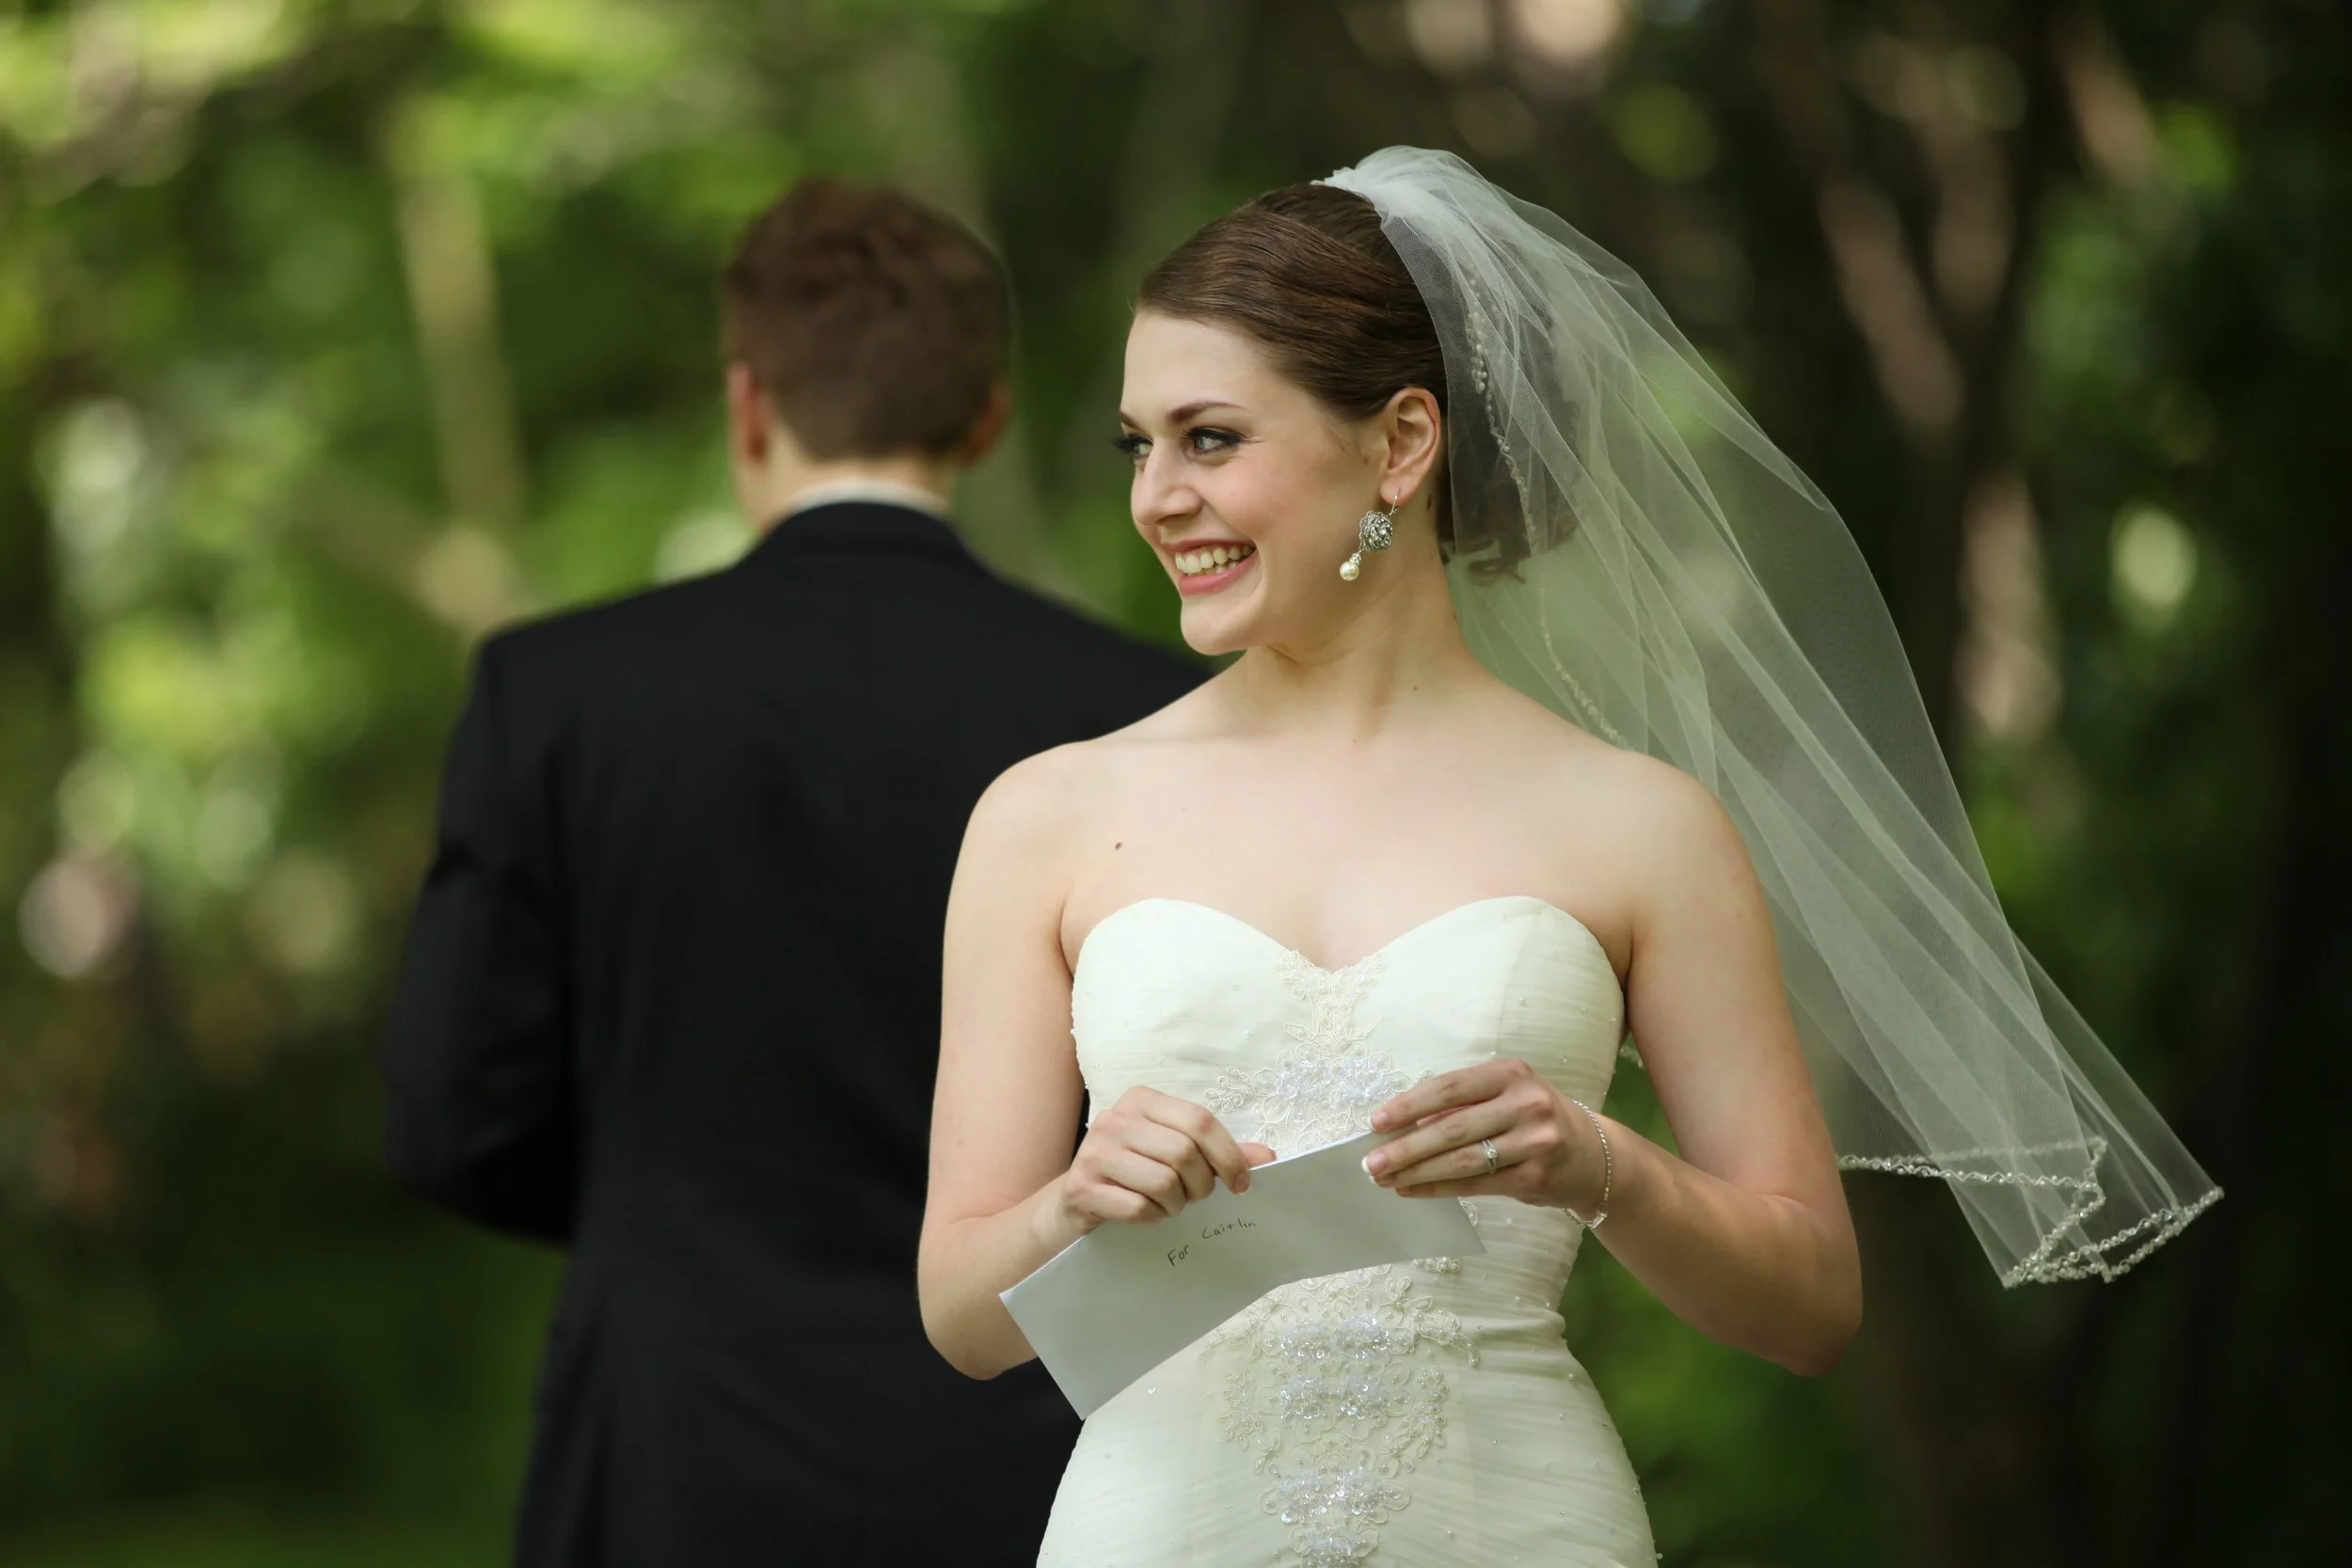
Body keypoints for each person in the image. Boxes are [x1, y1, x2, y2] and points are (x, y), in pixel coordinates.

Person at [915, 149, 2218, 1564]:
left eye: (1210, 438)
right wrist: (1071, 1200)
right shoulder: (1047, 815)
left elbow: (1812, 1302)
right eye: (1138, 443)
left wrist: (1605, 1165)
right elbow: (963, 1318)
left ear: (1402, 445)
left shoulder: (1638, 822)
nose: (1156, 495)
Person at [380, 175, 1200, 1568]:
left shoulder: (559, 695)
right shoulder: (1141, 707)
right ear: (985, 415)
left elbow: (450, 1119)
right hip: (1033, 1452)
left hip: (671, 1446)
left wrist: (664, 1204)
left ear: (747, 401)